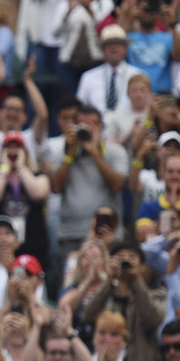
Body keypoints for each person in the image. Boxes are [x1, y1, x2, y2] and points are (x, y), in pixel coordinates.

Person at [50, 105, 129, 260]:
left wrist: (95, 153)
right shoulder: (65, 153)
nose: (85, 130)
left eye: (91, 126)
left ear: (100, 127)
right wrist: (69, 155)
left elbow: (117, 185)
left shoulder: (115, 152)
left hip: (107, 234)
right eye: (81, 126)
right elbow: (56, 187)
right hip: (71, 234)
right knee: (70, 282)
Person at [0, 130, 52, 271]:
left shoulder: (38, 176)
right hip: (2, 246)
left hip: (33, 243)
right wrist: (5, 168)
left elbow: (39, 193)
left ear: (25, 152)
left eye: (17, 147)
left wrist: (21, 167)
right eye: (8, 148)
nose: (13, 152)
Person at [82, 242, 164, 360]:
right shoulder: (105, 297)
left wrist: (136, 280)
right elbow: (87, 316)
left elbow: (153, 320)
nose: (126, 262)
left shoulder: (157, 295)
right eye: (120, 258)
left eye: (132, 258)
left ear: (142, 266)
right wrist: (109, 281)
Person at [0, 54, 49, 177]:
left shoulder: (30, 137)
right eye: (8, 108)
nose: (12, 113)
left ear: (25, 116)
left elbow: (43, 115)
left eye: (17, 110)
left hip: (27, 192)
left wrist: (28, 81)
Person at [76, 24, 145, 116]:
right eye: (109, 44)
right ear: (102, 50)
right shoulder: (88, 77)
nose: (114, 47)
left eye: (118, 43)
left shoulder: (138, 75)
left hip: (130, 126)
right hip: (97, 127)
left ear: (125, 48)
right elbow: (80, 109)